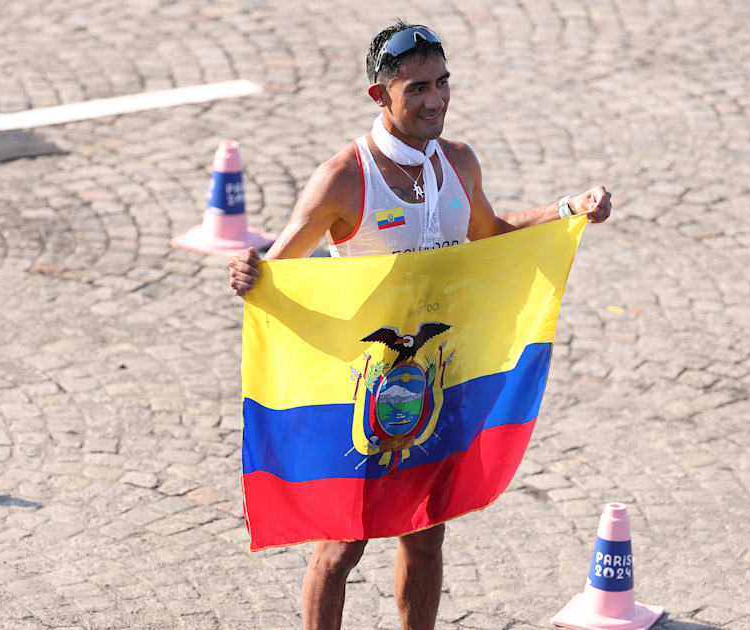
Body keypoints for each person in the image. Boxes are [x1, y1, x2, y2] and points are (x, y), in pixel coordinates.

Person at [228, 20, 613, 630]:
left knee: (425, 534)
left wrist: (566, 212)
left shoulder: (458, 163)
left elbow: (488, 236)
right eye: (417, 89)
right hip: (359, 390)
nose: (436, 101)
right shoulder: (344, 178)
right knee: (340, 546)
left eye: (442, 83)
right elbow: (280, 271)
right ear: (380, 96)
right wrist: (249, 272)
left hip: (434, 380)